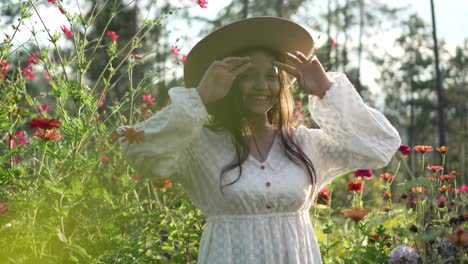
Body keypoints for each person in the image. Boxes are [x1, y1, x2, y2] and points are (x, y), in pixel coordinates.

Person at [117, 16, 401, 264]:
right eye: (248, 76)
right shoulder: (199, 146)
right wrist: (200, 97)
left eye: (271, 76)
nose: (262, 86)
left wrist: (326, 89)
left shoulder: (305, 145)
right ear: (228, 82)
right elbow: (137, 148)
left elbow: (382, 145)